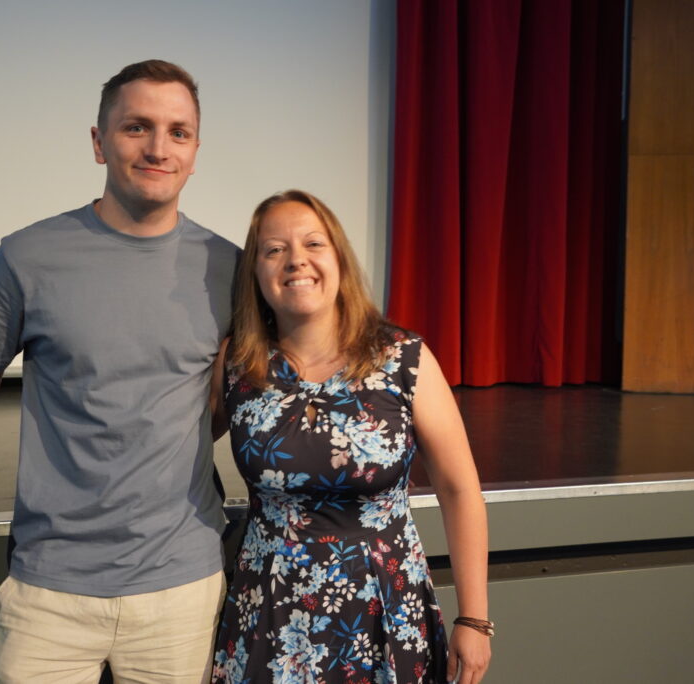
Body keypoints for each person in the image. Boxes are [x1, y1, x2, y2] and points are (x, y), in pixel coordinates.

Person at [0, 60, 239, 683]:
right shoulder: (27, 257)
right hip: (49, 588)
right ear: (99, 142)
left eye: (178, 132)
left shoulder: (228, 269)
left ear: (195, 152)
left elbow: (215, 402)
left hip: (181, 585)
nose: (158, 148)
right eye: (136, 127)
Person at [210, 190, 491, 684]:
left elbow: (459, 489)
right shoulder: (237, 363)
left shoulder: (402, 358)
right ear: (255, 271)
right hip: (270, 613)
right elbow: (177, 448)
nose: (296, 260)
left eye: (313, 243)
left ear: (339, 257)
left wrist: (474, 618)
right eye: (274, 249)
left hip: (384, 607)